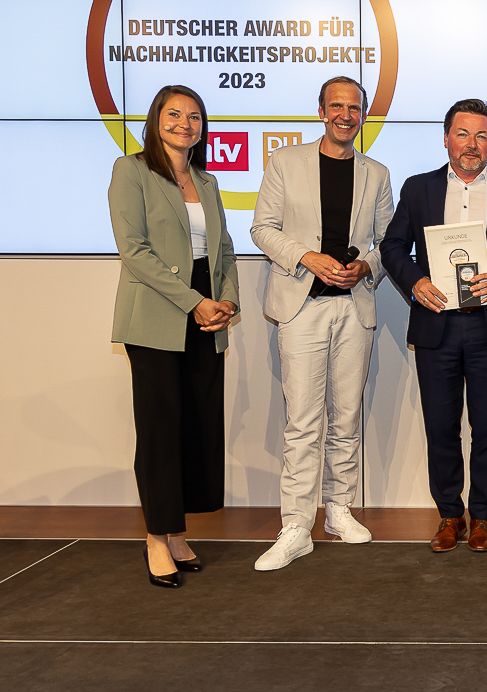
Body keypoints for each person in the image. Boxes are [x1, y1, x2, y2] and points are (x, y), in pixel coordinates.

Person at [380, 99, 487, 553]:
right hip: (437, 325)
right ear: (446, 137)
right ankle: (449, 516)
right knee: (441, 426)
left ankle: (483, 518)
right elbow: (393, 246)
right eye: (463, 134)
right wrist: (415, 281)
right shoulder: (418, 190)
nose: (472, 145)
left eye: (481, 135)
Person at [249, 76, 394, 571]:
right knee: (303, 421)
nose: (345, 116)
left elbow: (388, 243)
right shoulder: (284, 162)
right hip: (301, 306)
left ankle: (338, 510)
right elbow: (261, 229)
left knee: (346, 417)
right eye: (337, 106)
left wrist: (366, 266)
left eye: (354, 108)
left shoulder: (376, 173)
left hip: (354, 307)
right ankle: (295, 525)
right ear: (320, 110)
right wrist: (307, 257)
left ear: (363, 114)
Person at [108, 85, 240, 588]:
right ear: (155, 119)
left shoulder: (206, 180)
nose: (185, 123)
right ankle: (156, 537)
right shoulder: (131, 170)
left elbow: (223, 249)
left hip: (208, 309)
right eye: (174, 114)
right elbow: (134, 251)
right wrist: (195, 301)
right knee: (161, 429)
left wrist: (227, 302)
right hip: (160, 311)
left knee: (197, 425)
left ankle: (178, 529)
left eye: (194, 116)